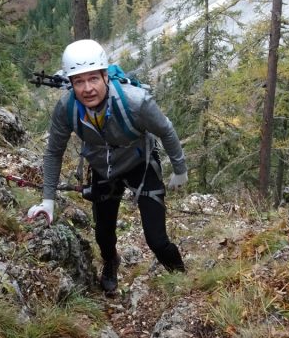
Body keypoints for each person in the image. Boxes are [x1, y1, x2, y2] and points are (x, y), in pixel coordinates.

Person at [27, 39, 188, 292]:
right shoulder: (66, 108)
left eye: (93, 79)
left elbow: (166, 131)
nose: (87, 88)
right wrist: (48, 200)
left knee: (157, 241)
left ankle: (182, 279)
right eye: (79, 81)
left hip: (141, 166)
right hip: (103, 169)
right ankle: (111, 261)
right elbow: (53, 153)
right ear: (70, 84)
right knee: (103, 236)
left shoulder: (136, 102)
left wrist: (180, 170)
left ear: (105, 77)